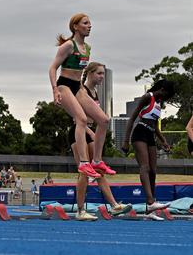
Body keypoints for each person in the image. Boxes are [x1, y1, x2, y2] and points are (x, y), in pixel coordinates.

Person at [49, 13, 114, 179]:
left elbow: (80, 72)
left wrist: (83, 92)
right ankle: (84, 163)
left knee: (104, 120)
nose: (89, 26)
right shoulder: (68, 46)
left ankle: (97, 160)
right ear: (75, 26)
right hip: (64, 85)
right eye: (85, 23)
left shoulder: (88, 48)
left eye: (90, 23)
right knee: (82, 119)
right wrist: (55, 89)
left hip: (77, 87)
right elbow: (52, 68)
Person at [68, 62, 131, 221]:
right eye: (99, 73)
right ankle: (80, 210)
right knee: (84, 171)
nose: (102, 77)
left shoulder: (95, 93)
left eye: (103, 74)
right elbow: (77, 119)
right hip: (80, 130)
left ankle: (114, 205)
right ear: (89, 73)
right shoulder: (81, 90)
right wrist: (91, 134)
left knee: (98, 171)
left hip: (90, 131)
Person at [123, 80, 175, 220]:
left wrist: (164, 141)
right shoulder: (148, 97)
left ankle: (150, 211)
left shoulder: (158, 104)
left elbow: (155, 126)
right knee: (144, 167)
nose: (166, 99)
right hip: (139, 133)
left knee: (153, 171)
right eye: (167, 95)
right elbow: (132, 118)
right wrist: (125, 141)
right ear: (162, 89)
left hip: (150, 135)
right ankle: (151, 201)